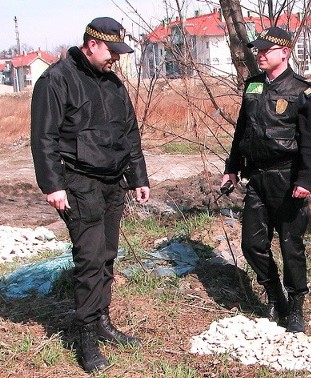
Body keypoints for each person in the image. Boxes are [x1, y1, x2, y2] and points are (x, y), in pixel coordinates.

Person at [30, 17, 150, 372]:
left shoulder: (113, 83)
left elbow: (130, 133)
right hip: (78, 183)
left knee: (108, 255)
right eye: (111, 51)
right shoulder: (56, 80)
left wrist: (138, 177)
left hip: (113, 182)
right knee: (90, 260)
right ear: (91, 44)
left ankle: (102, 323)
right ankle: (85, 340)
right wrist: (53, 185)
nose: (115, 58)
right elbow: (44, 139)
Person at [220, 26, 311, 333]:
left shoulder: (303, 91)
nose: (261, 54)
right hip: (257, 177)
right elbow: (243, 131)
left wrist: (307, 179)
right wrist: (232, 167)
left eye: (267, 50)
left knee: (291, 245)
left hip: (288, 178)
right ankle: (275, 294)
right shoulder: (252, 86)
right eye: (259, 50)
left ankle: (295, 307)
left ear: (285, 52)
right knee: (252, 244)